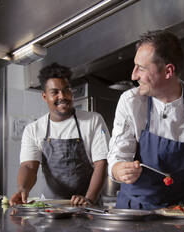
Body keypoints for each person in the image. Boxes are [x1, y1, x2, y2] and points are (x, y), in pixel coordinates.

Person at [108, 30, 184, 210]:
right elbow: (118, 156)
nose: (133, 76)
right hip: (134, 211)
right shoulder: (131, 101)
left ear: (168, 71)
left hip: (180, 212)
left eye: (141, 68)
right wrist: (119, 169)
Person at [10, 62, 110, 206]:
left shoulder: (93, 120)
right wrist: (22, 189)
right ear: (45, 96)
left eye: (66, 90)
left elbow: (102, 164)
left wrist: (89, 199)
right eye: (55, 92)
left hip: (88, 208)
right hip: (51, 209)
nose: (62, 96)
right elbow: (29, 166)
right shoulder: (34, 129)